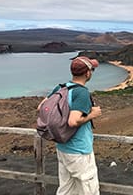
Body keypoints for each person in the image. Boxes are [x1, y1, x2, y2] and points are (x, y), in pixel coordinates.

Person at [38, 56, 102, 195]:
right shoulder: (82, 92)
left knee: (67, 188)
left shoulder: (61, 88)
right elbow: (73, 121)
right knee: (89, 188)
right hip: (79, 149)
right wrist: (92, 115)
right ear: (87, 73)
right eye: (92, 69)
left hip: (62, 147)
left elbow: (41, 107)